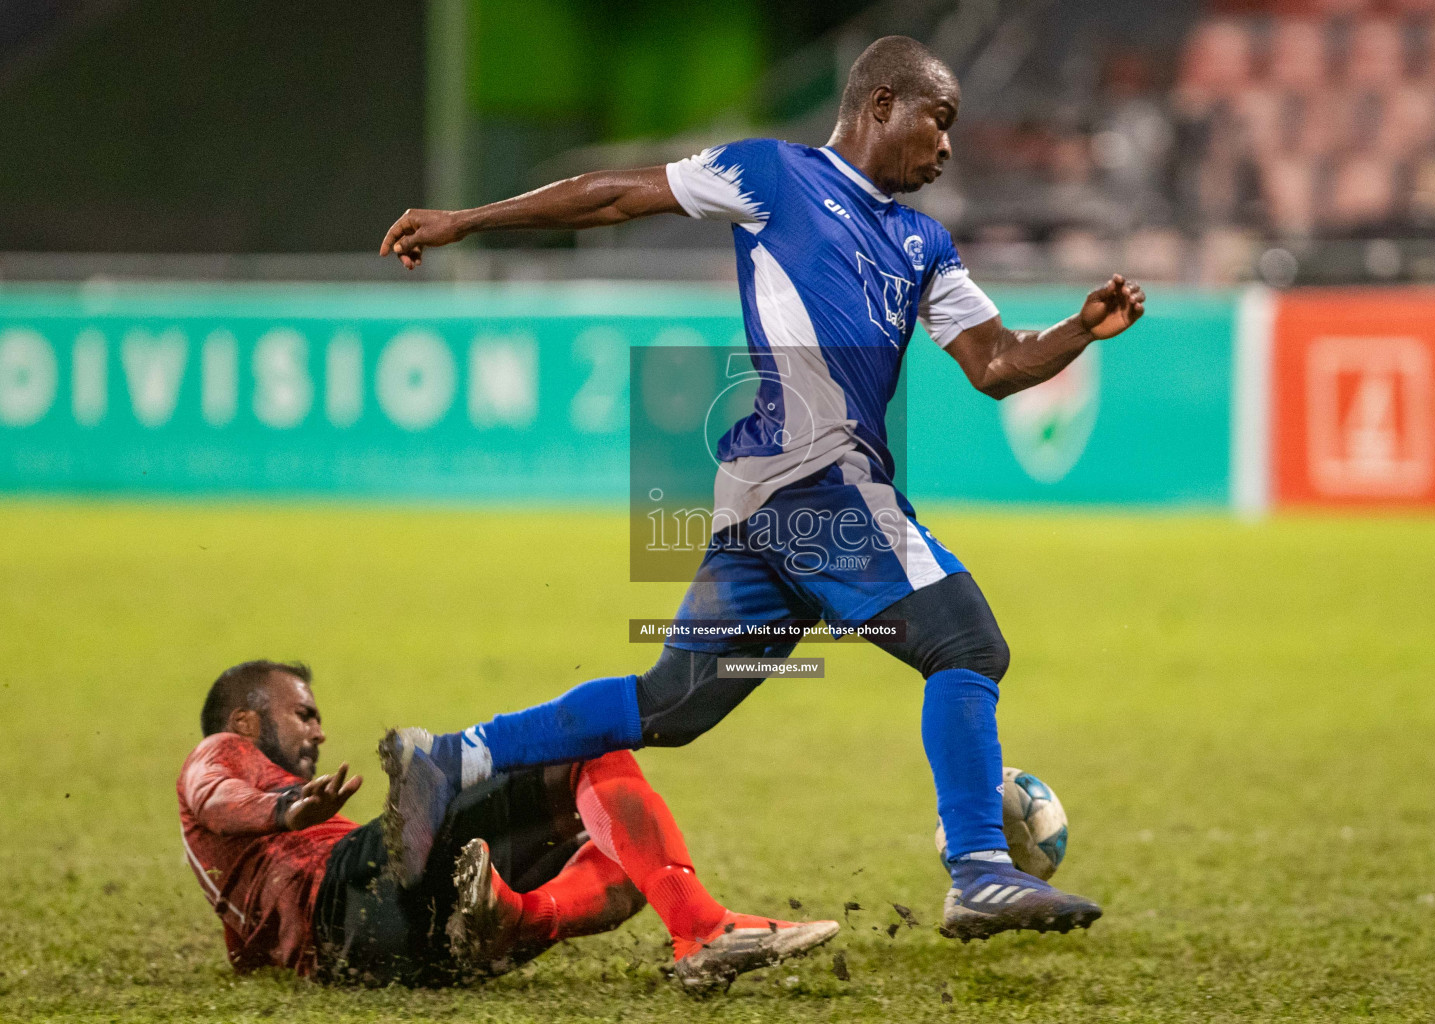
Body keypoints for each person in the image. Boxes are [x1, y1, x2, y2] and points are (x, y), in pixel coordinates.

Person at [378, 35, 1146, 940]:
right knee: (967, 642)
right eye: (939, 123)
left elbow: (998, 364)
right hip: (813, 480)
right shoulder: (772, 177)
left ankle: (454, 757)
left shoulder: (923, 244)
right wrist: (468, 220)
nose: (946, 148)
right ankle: (980, 865)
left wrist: (1080, 331)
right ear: (882, 105)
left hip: (763, 502)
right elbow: (619, 191)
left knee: (673, 704)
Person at [177, 660, 838, 990]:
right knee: (593, 749)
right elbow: (216, 797)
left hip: (400, 961)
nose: (319, 729)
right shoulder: (221, 754)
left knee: (617, 858)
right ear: (245, 723)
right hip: (348, 899)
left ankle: (508, 914)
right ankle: (697, 929)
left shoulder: (249, 871)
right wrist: (286, 809)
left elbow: (254, 929)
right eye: (303, 714)